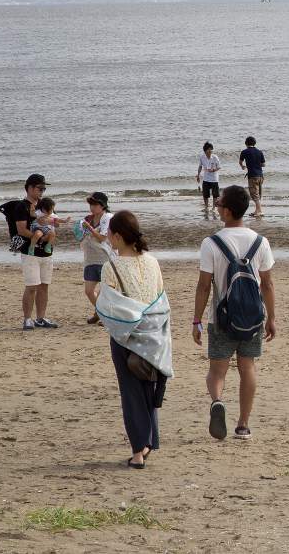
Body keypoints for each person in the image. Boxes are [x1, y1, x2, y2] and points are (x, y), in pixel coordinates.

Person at [193, 185, 277, 441]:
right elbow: (267, 284)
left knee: (217, 371)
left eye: (219, 203)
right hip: (252, 317)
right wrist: (271, 318)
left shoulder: (211, 243)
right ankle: (243, 425)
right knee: (247, 367)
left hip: (221, 319)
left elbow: (204, 286)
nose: (216, 206)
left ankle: (217, 401)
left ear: (227, 211)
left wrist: (196, 320)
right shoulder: (260, 242)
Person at [100, 211, 172, 469]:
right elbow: (160, 297)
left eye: (110, 233)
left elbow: (108, 305)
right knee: (148, 387)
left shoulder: (111, 267)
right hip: (153, 333)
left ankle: (139, 450)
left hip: (126, 336)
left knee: (131, 393)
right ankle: (149, 441)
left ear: (118, 236)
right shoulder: (152, 262)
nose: (108, 237)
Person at [6, 174, 59, 330]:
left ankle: (41, 318)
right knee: (31, 286)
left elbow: (52, 221)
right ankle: (27, 319)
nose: (42, 191)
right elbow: (21, 230)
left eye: (44, 188)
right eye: (39, 188)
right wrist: (41, 238)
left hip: (47, 252)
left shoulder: (45, 204)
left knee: (44, 285)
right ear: (29, 188)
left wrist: (51, 233)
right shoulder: (21, 207)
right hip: (30, 253)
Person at [78, 191, 114, 325]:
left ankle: (103, 315)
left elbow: (102, 238)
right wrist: (80, 230)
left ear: (102, 205)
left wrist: (90, 229)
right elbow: (81, 235)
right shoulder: (88, 218)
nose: (92, 207)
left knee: (104, 291)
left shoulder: (108, 218)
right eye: (90, 204)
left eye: (95, 204)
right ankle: (100, 312)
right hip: (90, 258)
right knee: (88, 291)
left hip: (105, 258)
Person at [239, 136, 267, 218]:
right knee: (258, 194)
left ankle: (260, 211)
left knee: (254, 194)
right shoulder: (259, 152)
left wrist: (243, 166)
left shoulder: (244, 152)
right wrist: (256, 164)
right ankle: (257, 210)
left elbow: (240, 162)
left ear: (246, 143)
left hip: (252, 176)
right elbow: (264, 164)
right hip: (260, 175)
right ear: (254, 143)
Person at [196, 142, 221, 217]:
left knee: (215, 194)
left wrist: (214, 170)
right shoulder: (202, 157)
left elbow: (219, 167)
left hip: (214, 179)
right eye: (208, 150)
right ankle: (206, 207)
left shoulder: (215, 157)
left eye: (211, 149)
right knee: (205, 194)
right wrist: (198, 175)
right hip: (206, 178)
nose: (210, 151)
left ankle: (213, 208)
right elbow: (200, 166)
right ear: (205, 150)